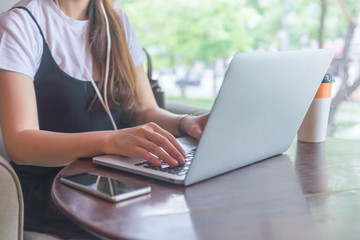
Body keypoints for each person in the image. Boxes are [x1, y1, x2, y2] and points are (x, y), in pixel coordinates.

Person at [0, 0, 208, 238]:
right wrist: (111, 141)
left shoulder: (118, 22)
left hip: (113, 178)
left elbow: (145, 110)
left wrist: (185, 122)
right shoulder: (18, 25)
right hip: (52, 190)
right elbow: (20, 144)